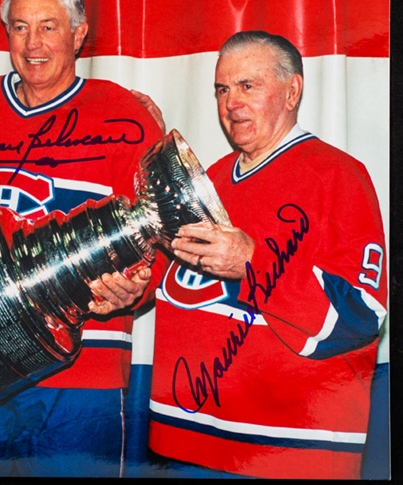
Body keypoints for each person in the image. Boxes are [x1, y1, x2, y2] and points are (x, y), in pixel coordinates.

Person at [0, 0, 165, 477]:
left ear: (79, 32)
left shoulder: (126, 115)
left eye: (48, 27)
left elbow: (157, 243)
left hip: (81, 374)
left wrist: (136, 290)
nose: (33, 43)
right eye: (20, 28)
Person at [146, 31, 388, 479]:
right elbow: (168, 282)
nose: (231, 103)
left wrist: (252, 264)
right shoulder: (209, 181)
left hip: (286, 451)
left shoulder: (339, 176)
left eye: (248, 86)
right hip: (184, 441)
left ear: (292, 90)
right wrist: (128, 287)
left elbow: (361, 315)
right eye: (222, 89)